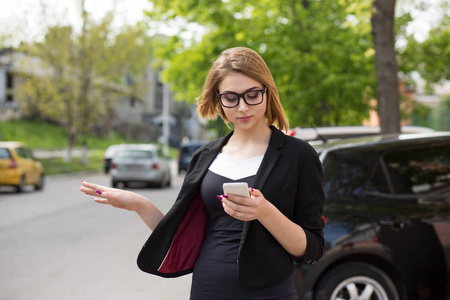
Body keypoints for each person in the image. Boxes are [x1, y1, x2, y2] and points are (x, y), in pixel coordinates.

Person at [80, 47, 325, 300]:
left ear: (267, 92)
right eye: (231, 98)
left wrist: (264, 212)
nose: (242, 107)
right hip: (207, 288)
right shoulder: (204, 156)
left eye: (252, 95)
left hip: (270, 293)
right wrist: (139, 204)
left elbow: (312, 249)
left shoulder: (298, 155)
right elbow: (181, 237)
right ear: (218, 99)